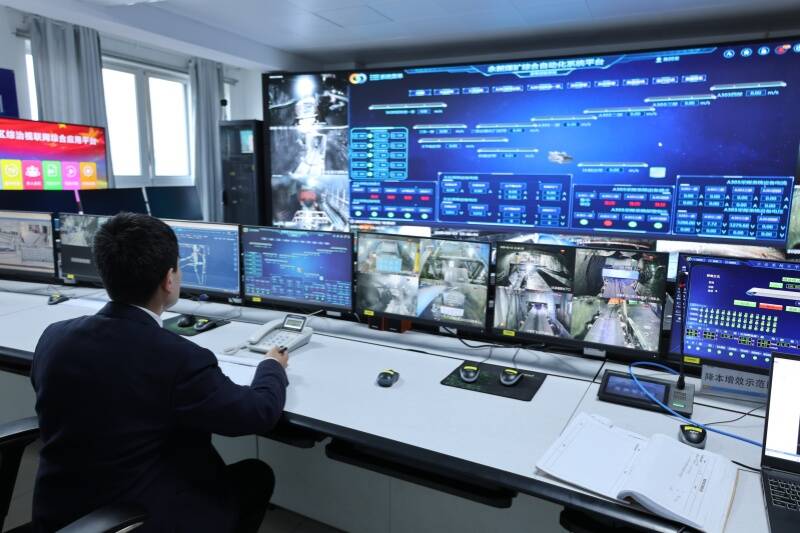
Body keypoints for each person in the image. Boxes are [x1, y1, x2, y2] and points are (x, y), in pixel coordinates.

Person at [30, 212, 289, 532]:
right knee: (255, 476)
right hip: (137, 519)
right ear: (169, 279)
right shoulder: (178, 358)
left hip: (60, 515)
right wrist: (271, 366)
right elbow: (258, 413)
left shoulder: (54, 336)